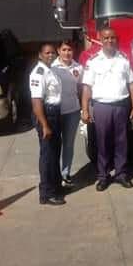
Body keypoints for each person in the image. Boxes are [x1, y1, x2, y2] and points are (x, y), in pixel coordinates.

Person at [81, 26, 133, 191]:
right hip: (102, 107)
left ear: (116, 40)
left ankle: (121, 174)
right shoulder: (93, 61)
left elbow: (131, 84)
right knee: (102, 143)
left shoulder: (124, 59)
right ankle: (103, 176)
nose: (109, 41)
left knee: (122, 142)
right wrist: (85, 109)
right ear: (100, 39)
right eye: (106, 38)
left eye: (112, 38)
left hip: (121, 105)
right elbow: (87, 87)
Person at [29, 43, 65, 206]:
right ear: (40, 55)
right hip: (46, 114)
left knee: (55, 152)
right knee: (48, 155)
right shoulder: (38, 73)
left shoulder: (51, 69)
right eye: (47, 53)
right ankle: (46, 193)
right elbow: (36, 102)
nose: (50, 55)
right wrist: (44, 125)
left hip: (54, 113)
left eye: (52, 53)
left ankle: (56, 186)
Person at [51, 40, 83, 186]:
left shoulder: (78, 68)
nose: (67, 53)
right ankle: (54, 174)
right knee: (54, 144)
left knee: (68, 144)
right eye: (64, 49)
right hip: (56, 112)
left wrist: (83, 108)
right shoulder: (52, 67)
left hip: (73, 112)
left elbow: (81, 89)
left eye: (69, 50)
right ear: (58, 51)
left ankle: (65, 174)